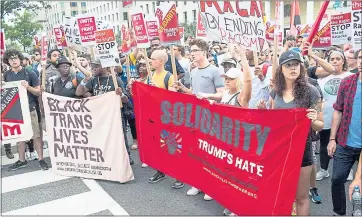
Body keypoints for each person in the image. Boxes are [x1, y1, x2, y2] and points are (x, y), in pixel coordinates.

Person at [257, 50, 324, 215]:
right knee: (281, 194)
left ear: (301, 67)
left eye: (296, 64)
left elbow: (319, 126)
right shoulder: (276, 92)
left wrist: (313, 119)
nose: (293, 68)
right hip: (280, 151)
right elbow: (273, 122)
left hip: (302, 150)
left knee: (301, 197)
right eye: (288, 65)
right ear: (281, 69)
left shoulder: (312, 91)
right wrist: (264, 111)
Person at [175, 38, 224, 201]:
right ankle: (199, 183)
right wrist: (183, 89)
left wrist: (207, 96)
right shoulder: (193, 71)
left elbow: (221, 94)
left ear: (203, 52)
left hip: (211, 118)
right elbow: (194, 93)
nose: (192, 53)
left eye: (195, 50)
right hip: (196, 117)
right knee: (196, 151)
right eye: (191, 50)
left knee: (210, 152)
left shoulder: (215, 71)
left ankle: (211, 185)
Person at [75, 57, 134, 165]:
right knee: (103, 137)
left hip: (115, 114)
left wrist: (120, 94)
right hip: (100, 115)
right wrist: (84, 82)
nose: (93, 69)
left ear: (104, 67)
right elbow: (79, 93)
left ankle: (126, 157)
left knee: (120, 136)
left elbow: (126, 100)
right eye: (92, 67)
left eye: (96, 67)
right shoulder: (93, 80)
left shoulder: (116, 80)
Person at [328, 49, 362, 216]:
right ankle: (339, 212)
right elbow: (338, 110)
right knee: (336, 180)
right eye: (361, 57)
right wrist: (332, 138)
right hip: (345, 142)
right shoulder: (347, 82)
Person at [3, 49, 49, 171]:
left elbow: (39, 91)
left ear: (20, 59)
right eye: (11, 58)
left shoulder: (30, 73)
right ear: (7, 61)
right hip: (16, 111)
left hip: (30, 109)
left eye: (15, 58)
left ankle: (41, 159)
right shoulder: (7, 75)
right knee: (19, 137)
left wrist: (28, 87)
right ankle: (22, 160)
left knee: (36, 135)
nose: (14, 60)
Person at [312, 50, 353, 181]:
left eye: (338, 59)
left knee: (343, 144)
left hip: (345, 117)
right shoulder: (322, 78)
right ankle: (324, 169)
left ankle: (348, 169)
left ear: (343, 61)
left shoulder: (350, 76)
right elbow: (318, 97)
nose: (335, 61)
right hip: (326, 116)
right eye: (332, 59)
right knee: (324, 143)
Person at [147, 49, 184, 189]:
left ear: (161, 61)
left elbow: (171, 99)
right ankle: (160, 170)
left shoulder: (169, 77)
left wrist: (156, 89)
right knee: (157, 146)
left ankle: (179, 176)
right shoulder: (150, 76)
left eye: (152, 59)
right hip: (154, 118)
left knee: (172, 146)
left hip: (168, 118)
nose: (150, 61)